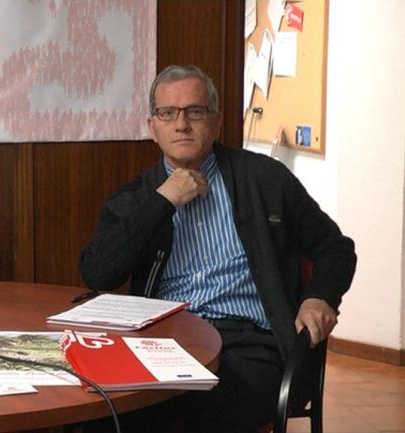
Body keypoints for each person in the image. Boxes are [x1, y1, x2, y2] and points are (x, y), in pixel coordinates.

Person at [79, 65, 356, 433]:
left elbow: (335, 248)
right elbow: (98, 272)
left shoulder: (265, 179)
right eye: (168, 113)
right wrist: (164, 201)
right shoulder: (139, 197)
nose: (182, 124)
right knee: (99, 416)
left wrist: (320, 297)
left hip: (247, 345)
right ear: (153, 128)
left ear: (217, 121)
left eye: (195, 111)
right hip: (162, 344)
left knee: (197, 418)